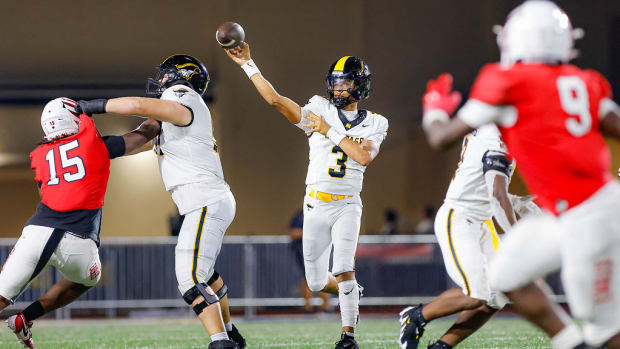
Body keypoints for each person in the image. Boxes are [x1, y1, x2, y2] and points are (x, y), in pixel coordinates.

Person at [411, 1, 620, 348]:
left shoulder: (506, 81)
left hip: (588, 215)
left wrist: (433, 109)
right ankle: (572, 341)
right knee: (506, 274)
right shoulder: (587, 81)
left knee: (604, 327)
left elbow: (440, 138)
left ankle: (580, 340)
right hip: (574, 210)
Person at [224, 45, 388, 348]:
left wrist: (328, 130)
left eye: (346, 82)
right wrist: (249, 64)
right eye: (336, 82)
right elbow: (276, 101)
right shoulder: (318, 108)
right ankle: (350, 291)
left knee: (342, 268)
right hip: (314, 204)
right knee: (315, 282)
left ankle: (347, 337)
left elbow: (363, 157)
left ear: (360, 85)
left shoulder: (375, 122)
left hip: (348, 205)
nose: (338, 88)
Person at [77, 54, 245, 349]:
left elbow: (141, 106)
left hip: (204, 199)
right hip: (205, 200)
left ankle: (221, 343)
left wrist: (92, 106)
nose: (161, 81)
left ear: (182, 78)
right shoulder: (174, 118)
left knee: (189, 278)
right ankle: (229, 333)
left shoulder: (184, 97)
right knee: (205, 273)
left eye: (166, 75)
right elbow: (141, 136)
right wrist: (94, 148)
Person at [0, 97, 159, 348]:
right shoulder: (95, 146)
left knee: (1, 295)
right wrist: (163, 110)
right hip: (78, 240)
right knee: (87, 279)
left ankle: (21, 318)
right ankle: (26, 318)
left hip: (38, 232)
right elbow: (146, 132)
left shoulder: (38, 154)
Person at [288, 209, 330, 313]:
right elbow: (293, 233)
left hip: (320, 250)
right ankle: (308, 307)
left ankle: (325, 307)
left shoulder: (322, 214)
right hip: (303, 252)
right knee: (307, 277)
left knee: (323, 276)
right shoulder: (300, 216)